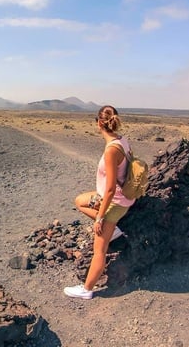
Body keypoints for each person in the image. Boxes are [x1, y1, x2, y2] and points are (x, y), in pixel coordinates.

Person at [63, 105, 136, 300]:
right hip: (118, 197)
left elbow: (111, 189)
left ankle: (87, 289)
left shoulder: (112, 150)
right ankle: (114, 230)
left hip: (115, 202)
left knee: (99, 251)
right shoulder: (121, 140)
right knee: (80, 201)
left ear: (98, 123)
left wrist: (100, 218)